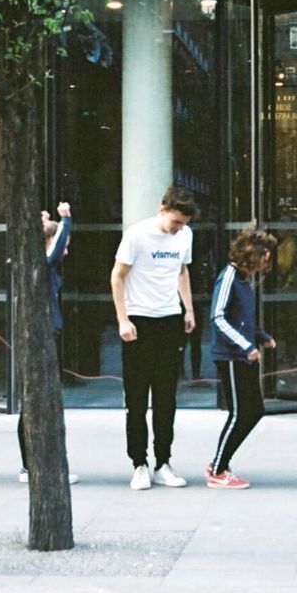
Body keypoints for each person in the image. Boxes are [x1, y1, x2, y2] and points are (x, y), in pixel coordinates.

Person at [111, 186, 198, 491]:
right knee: (136, 399)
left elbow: (181, 271)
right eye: (175, 222)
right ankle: (139, 463)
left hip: (169, 320)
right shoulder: (137, 235)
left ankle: (163, 462)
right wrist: (123, 319)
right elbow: (117, 276)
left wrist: (188, 308)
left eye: (183, 224)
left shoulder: (185, 235)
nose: (178, 229)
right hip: (139, 321)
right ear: (163, 210)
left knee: (166, 398)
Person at [206, 227, 278, 489]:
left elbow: (242, 319)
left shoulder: (245, 280)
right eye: (262, 260)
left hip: (243, 354)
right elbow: (218, 317)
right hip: (231, 356)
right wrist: (247, 345)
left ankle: (219, 463)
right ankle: (218, 468)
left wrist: (261, 335)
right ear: (250, 256)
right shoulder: (229, 277)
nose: (263, 267)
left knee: (254, 411)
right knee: (239, 413)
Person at [18, 202, 80, 485]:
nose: (66, 252)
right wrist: (65, 220)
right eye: (65, 245)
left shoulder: (38, 264)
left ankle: (35, 465)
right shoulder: (39, 263)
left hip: (47, 333)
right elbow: (54, 253)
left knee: (41, 401)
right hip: (41, 336)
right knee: (36, 402)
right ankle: (31, 466)